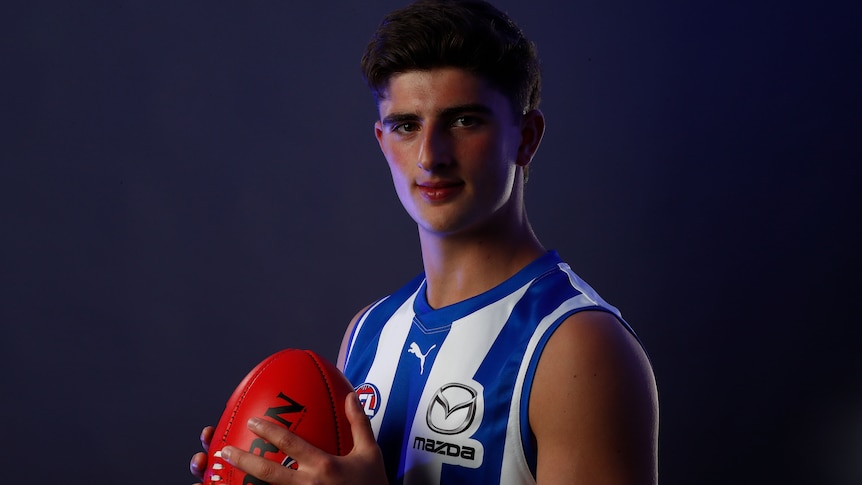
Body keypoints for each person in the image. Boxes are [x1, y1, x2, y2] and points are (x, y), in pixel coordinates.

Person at [191, 0, 658, 483]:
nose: (431, 156)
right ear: (382, 140)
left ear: (526, 137)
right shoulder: (368, 332)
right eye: (407, 125)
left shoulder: (577, 348)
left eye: (464, 121)